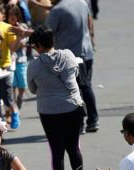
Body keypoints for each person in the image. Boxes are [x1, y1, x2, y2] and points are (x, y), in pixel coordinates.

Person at [11, 0, 98, 133]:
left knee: (74, 89)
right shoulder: (81, 2)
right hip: (87, 51)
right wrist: (91, 37)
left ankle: (79, 124)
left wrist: (23, 33)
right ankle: (93, 120)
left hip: (70, 57)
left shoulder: (57, 11)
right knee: (86, 87)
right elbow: (89, 20)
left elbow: (45, 33)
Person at [27, 25, 86, 170]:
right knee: (74, 147)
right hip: (72, 107)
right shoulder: (68, 55)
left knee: (57, 150)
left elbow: (32, 89)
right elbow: (75, 75)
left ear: (38, 45)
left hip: (49, 111)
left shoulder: (34, 65)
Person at [5, 4, 28, 110]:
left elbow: (25, 42)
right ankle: (14, 106)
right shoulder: (5, 27)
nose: (12, 17)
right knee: (12, 85)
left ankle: (20, 96)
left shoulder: (23, 27)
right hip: (9, 62)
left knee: (22, 85)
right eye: (10, 15)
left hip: (21, 60)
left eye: (15, 14)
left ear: (18, 15)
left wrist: (13, 42)